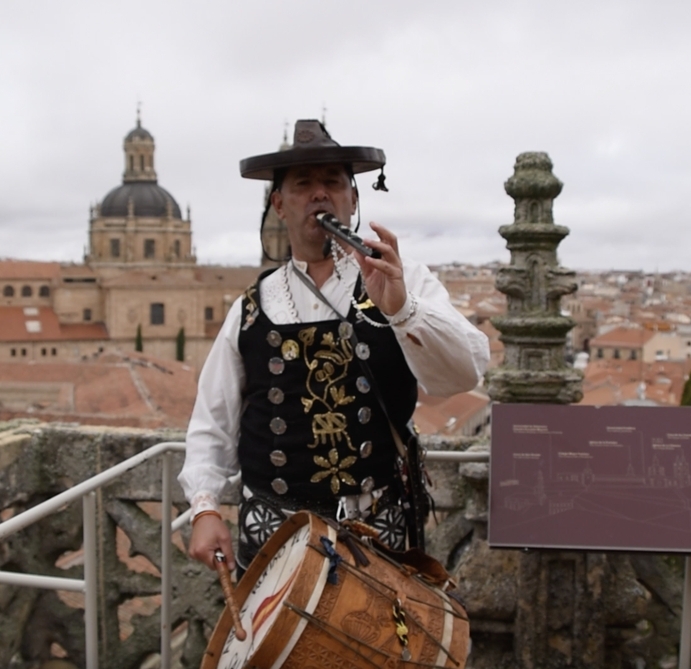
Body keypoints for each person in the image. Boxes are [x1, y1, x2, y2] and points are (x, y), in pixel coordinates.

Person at [179, 119, 489, 574]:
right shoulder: (250, 308)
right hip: (274, 539)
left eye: (333, 182)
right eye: (303, 184)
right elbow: (213, 422)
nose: (319, 193)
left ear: (354, 199)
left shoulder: (403, 279)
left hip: (377, 533)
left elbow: (464, 373)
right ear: (279, 204)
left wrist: (402, 308)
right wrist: (205, 508)